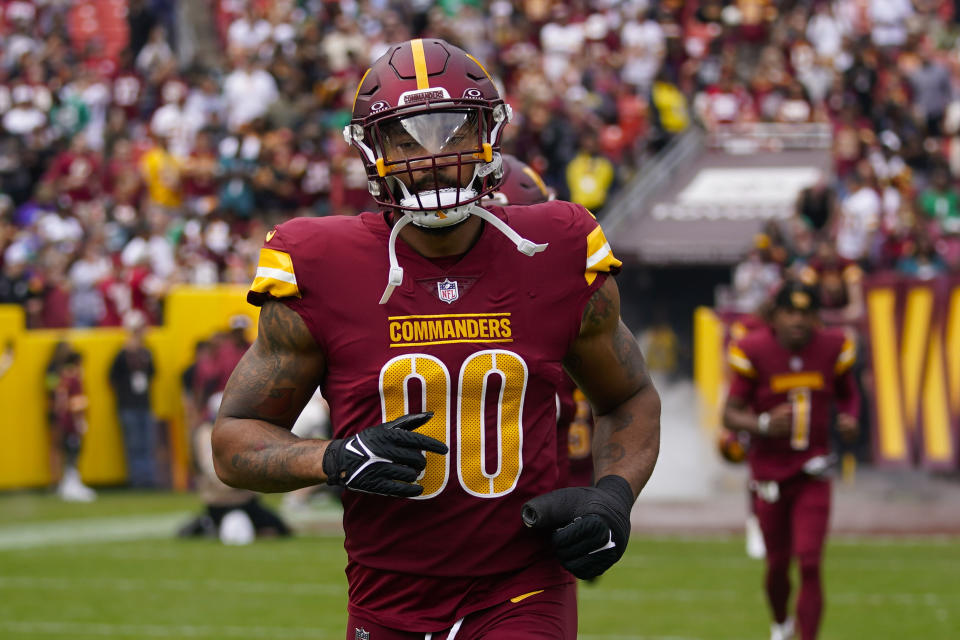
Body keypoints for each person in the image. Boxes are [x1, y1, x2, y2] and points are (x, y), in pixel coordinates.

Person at [212, 39, 660, 638]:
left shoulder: (556, 246)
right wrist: (332, 458)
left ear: (488, 134)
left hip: (522, 589)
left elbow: (628, 396)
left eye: (451, 132)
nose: (429, 158)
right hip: (385, 596)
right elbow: (232, 442)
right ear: (372, 151)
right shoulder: (320, 262)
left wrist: (612, 497)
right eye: (405, 138)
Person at [723, 282, 860, 640]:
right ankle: (781, 622)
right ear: (776, 315)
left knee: (811, 562)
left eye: (805, 313)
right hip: (769, 475)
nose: (798, 320)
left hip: (813, 470)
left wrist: (850, 417)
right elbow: (730, 414)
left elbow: (849, 395)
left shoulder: (832, 347)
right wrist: (764, 423)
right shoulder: (754, 350)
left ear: (815, 316)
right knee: (778, 565)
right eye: (790, 312)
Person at [109, 310, 157, 488]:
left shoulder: (146, 353)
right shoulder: (122, 355)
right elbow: (112, 378)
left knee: (147, 443)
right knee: (134, 444)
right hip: (128, 405)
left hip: (144, 403)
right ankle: (137, 479)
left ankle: (148, 479)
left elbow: (153, 374)